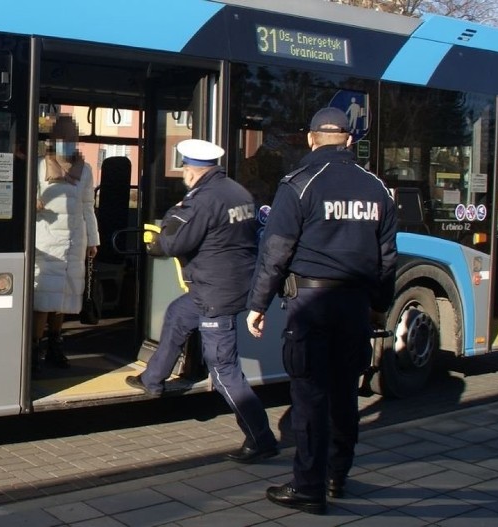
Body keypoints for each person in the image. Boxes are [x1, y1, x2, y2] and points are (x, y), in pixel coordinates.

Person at [245, 107, 397, 514]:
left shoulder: (298, 184)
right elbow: (387, 259)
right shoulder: (377, 188)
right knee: (345, 392)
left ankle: (308, 486)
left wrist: (257, 304)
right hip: (354, 307)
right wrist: (379, 307)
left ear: (311, 138)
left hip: (310, 305)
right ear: (349, 140)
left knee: (310, 395)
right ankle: (337, 475)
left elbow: (275, 252)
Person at [125, 138, 279, 464]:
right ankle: (152, 379)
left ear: (191, 171)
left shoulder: (201, 201)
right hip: (232, 284)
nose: (183, 173)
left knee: (223, 369)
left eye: (183, 168)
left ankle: (261, 438)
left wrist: (167, 223)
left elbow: (173, 242)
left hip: (215, 293)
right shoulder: (238, 192)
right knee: (178, 313)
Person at [33, 115, 99, 374]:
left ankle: (55, 347)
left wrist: (93, 241)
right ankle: (34, 351)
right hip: (46, 240)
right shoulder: (39, 166)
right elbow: (25, 197)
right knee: (43, 300)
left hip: (74, 242)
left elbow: (87, 206)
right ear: (52, 140)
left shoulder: (85, 169)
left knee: (63, 300)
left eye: (71, 138)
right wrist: (33, 202)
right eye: (62, 138)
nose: (67, 143)